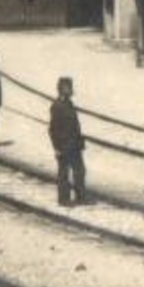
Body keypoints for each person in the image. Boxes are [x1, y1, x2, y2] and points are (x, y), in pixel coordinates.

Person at [49, 76, 86, 206]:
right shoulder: (57, 106)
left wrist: (80, 141)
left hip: (74, 144)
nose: (69, 90)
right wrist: (57, 147)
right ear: (60, 89)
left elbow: (76, 125)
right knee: (64, 172)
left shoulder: (69, 104)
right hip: (64, 145)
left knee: (79, 170)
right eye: (67, 88)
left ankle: (80, 197)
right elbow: (52, 129)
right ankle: (63, 199)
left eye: (70, 87)